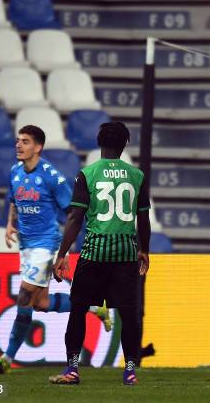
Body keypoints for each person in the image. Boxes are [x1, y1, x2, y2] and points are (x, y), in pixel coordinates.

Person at [0, 126, 111, 375]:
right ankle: (95, 308)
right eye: (18, 141)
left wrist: (64, 252)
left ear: (37, 147)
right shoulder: (15, 172)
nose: (19, 145)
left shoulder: (51, 176)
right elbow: (13, 200)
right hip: (27, 245)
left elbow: (72, 213)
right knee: (40, 303)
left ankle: (6, 359)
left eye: (25, 141)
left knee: (24, 297)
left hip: (46, 245)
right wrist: (10, 223)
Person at [49, 122, 151, 386]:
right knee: (129, 314)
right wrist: (145, 250)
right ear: (124, 144)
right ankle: (130, 370)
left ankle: (72, 368)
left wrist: (62, 253)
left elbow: (75, 218)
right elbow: (143, 219)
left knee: (78, 310)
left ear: (99, 142)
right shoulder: (137, 176)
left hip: (94, 253)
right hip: (126, 255)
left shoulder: (87, 174)